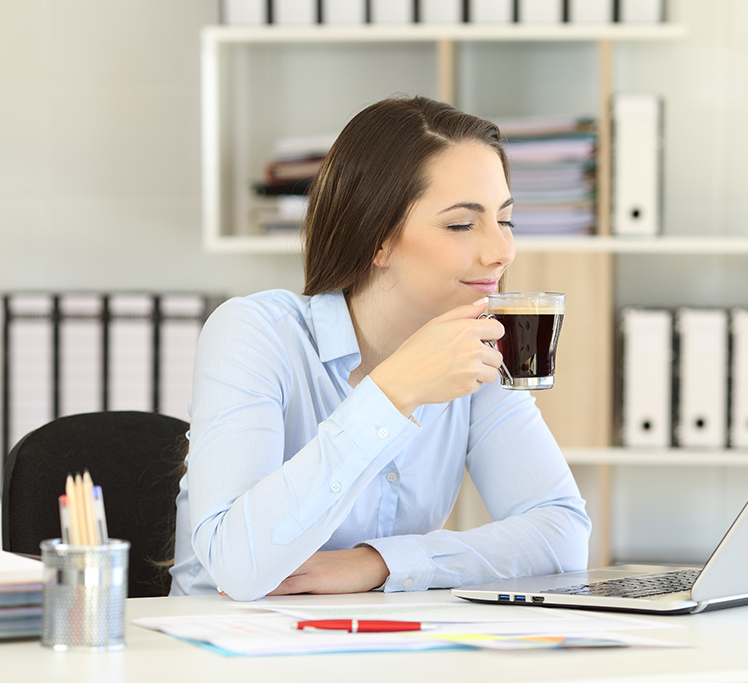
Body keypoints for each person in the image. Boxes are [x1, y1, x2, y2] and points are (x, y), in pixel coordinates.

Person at [169, 96, 592, 600]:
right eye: (462, 224)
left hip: (376, 646)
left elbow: (562, 535)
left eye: (505, 220)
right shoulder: (255, 333)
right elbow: (239, 569)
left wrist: (380, 564)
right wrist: (392, 393)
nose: (502, 251)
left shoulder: (478, 346)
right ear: (379, 239)